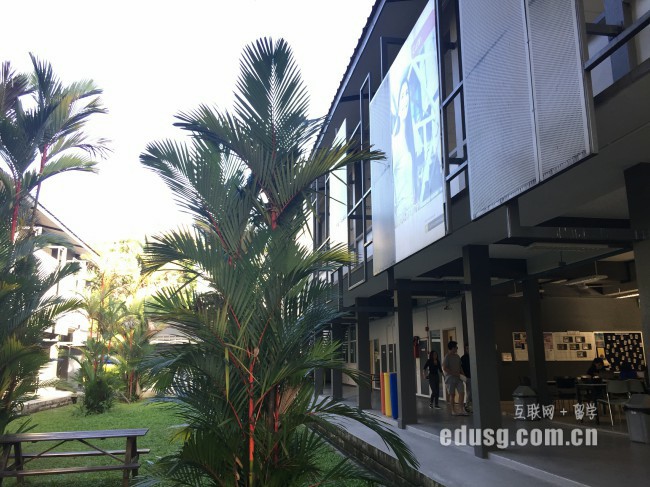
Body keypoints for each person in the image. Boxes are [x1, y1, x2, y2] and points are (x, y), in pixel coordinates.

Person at [442, 340, 467, 416]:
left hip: (459, 378)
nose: (457, 348)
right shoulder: (447, 357)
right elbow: (444, 368)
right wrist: (454, 373)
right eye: (456, 347)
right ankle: (453, 410)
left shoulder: (457, 356)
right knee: (452, 395)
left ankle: (461, 409)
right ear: (452, 348)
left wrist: (463, 375)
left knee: (462, 393)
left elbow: (460, 367)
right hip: (450, 379)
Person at [460, 344, 472, 413]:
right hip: (468, 377)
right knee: (469, 392)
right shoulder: (463, 358)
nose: (468, 350)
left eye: (469, 348)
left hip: (475, 377)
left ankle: (472, 405)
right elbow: (461, 368)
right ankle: (467, 406)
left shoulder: (474, 356)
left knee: (473, 392)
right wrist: (464, 376)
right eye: (467, 348)